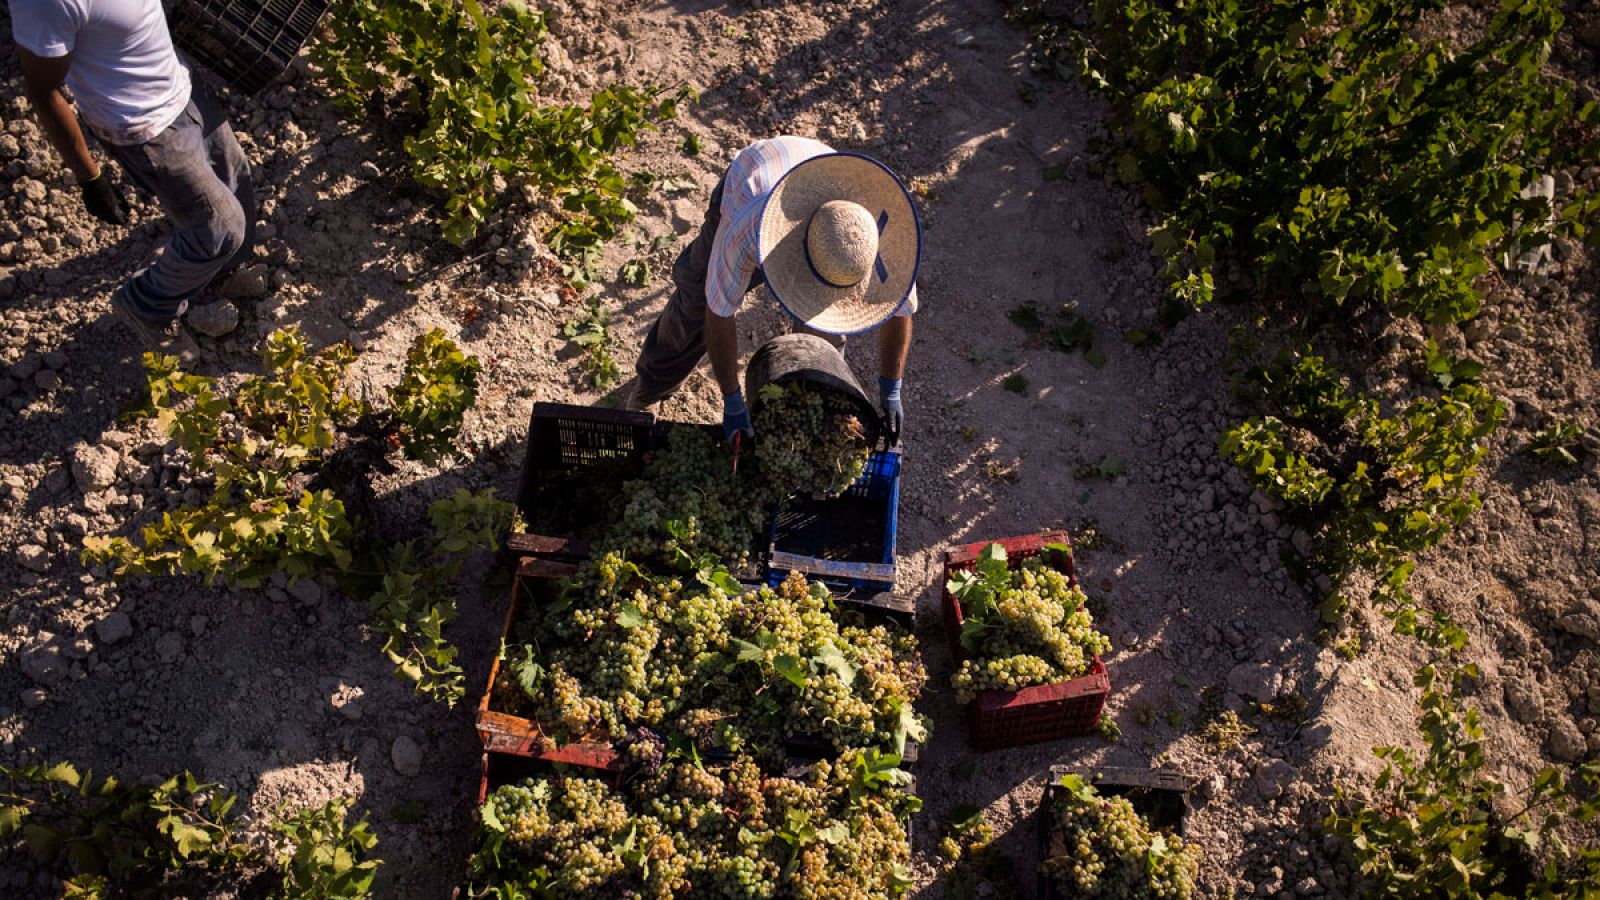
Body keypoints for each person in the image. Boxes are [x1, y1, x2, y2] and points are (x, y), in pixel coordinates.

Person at [632, 136, 919, 447]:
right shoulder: (747, 230)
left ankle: (807, 411)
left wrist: (891, 387)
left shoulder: (869, 235)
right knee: (695, 303)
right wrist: (731, 398)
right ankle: (652, 386)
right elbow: (718, 311)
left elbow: (899, 309)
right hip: (750, 179)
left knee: (822, 343)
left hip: (819, 179)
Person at [10, 0, 255, 361]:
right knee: (220, 229)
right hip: (145, 130)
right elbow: (43, 90)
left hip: (182, 84)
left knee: (237, 179)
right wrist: (90, 178)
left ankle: (220, 270)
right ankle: (146, 306)